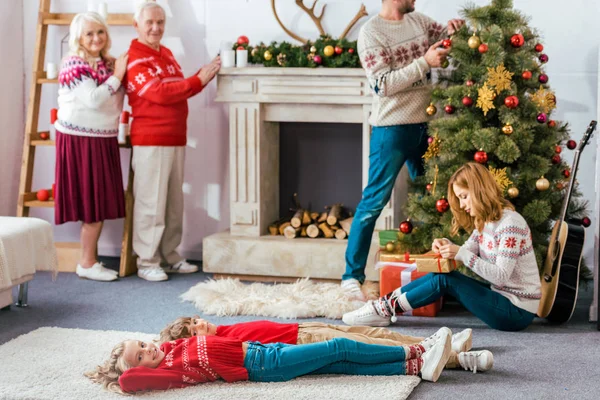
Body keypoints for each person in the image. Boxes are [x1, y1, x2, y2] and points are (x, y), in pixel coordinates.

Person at [341, 0, 465, 299]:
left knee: (430, 200)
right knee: (373, 202)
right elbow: (382, 84)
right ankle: (351, 276)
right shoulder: (371, 33)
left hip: (426, 125)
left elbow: (444, 39)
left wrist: (455, 31)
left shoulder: (420, 22)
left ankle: (428, 272)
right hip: (391, 129)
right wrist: (424, 62)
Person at [343, 163, 542, 333]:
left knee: (445, 281)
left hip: (518, 311)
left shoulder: (510, 224)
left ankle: (383, 310)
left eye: (464, 196)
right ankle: (382, 306)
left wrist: (461, 253)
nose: (462, 204)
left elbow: (500, 276)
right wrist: (447, 246)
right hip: (502, 297)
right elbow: (465, 250)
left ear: (479, 189)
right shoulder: (486, 221)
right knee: (439, 277)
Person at [126, 2, 221, 281]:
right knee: (150, 203)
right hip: (150, 140)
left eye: (160, 23)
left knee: (172, 202)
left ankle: (170, 256)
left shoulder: (166, 54)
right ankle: (146, 261)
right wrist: (197, 80)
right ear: (137, 26)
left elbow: (177, 90)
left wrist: (200, 78)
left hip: (175, 137)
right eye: (150, 23)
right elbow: (159, 93)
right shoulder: (134, 57)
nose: (156, 28)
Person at [85, 332, 451, 394]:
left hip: (261, 350)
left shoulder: (174, 347)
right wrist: (122, 369)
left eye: (142, 344)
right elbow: (129, 382)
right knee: (337, 346)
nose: (148, 349)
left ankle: (413, 369)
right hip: (265, 366)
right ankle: (415, 350)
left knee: (337, 365)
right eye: (140, 355)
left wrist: (146, 348)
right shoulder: (168, 372)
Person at [54, 12, 129, 282]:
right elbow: (94, 99)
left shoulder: (105, 63)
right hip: (80, 139)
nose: (96, 38)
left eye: (100, 32)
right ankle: (86, 263)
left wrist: (118, 72)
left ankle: (89, 261)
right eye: (89, 33)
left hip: (102, 137)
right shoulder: (73, 63)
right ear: (78, 38)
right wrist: (118, 74)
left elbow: (117, 93)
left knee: (99, 201)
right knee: (92, 204)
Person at [159, 316, 493, 373]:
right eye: (194, 330)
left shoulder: (225, 326)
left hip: (304, 326)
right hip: (304, 339)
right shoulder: (221, 344)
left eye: (194, 320)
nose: (200, 324)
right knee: (364, 343)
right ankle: (450, 357)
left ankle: (433, 342)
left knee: (375, 333)